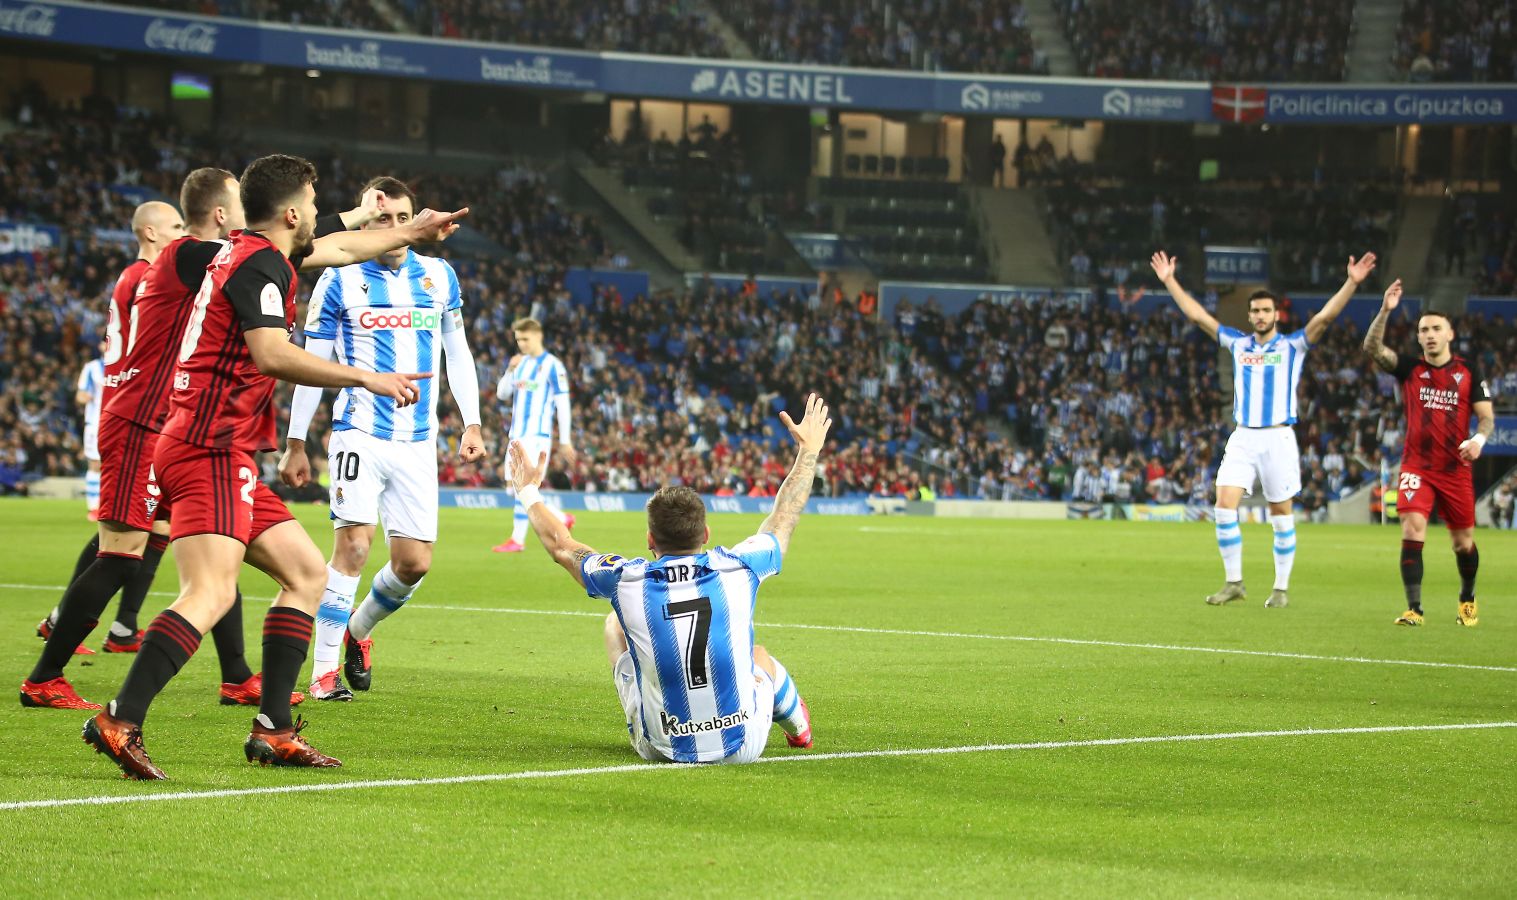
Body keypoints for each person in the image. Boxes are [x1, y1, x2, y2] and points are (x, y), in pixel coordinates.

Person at [81, 154, 466, 779]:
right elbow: (270, 353)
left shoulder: (253, 253)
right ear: (292, 213)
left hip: (220, 449)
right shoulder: (260, 262)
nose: (318, 212)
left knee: (308, 574)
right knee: (208, 592)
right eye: (312, 203)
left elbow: (341, 248)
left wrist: (409, 231)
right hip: (206, 446)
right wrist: (366, 375)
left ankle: (273, 730)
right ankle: (120, 718)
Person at [504, 393, 831, 764]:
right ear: (705, 534)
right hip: (743, 747)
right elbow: (783, 517)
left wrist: (527, 490)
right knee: (759, 658)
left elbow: (562, 546)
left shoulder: (626, 579)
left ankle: (655, 714)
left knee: (616, 623)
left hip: (661, 749)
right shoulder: (738, 568)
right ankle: (798, 728)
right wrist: (808, 453)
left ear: (649, 540)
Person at [280, 176, 486, 701]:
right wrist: (297, 439)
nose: (393, 229)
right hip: (357, 433)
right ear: (364, 225)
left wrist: (472, 421)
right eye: (380, 221)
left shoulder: (439, 277)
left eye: (401, 219)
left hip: (417, 441)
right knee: (352, 547)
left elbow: (456, 352)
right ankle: (323, 675)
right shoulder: (340, 279)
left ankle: (355, 632)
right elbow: (314, 360)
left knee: (413, 564)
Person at [1151, 249, 1378, 609]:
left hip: (1278, 437)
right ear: (1250, 315)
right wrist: (1169, 281)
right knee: (1223, 505)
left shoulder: (1292, 346)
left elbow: (1326, 317)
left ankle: (1281, 588)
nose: (1259, 316)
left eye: (1265, 311)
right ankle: (1234, 582)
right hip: (1243, 435)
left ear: (1276, 315)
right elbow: (1197, 316)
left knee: (1280, 512)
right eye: (1255, 311)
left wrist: (1351, 282)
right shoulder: (1238, 344)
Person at [1362, 279, 1494, 626]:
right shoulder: (1410, 369)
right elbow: (1373, 347)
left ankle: (1467, 598)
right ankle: (1414, 609)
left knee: (1462, 543)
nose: (1430, 334)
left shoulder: (1468, 373)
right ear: (1419, 337)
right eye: (1424, 330)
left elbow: (1486, 420)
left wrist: (1478, 441)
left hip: (1455, 468)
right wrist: (1385, 311)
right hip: (1417, 467)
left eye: (1437, 328)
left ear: (1450, 334)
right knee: (1412, 526)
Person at [492, 318, 575, 552]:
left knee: (524, 487)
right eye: (518, 339)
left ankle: (517, 540)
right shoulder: (520, 364)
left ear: (538, 336)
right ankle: (560, 517)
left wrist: (565, 440)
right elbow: (502, 394)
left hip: (536, 435)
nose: (521, 344)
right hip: (516, 433)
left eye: (525, 339)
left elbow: (563, 403)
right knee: (512, 488)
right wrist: (509, 369)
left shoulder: (552, 365)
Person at [76, 341, 106, 519]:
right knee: (95, 464)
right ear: (101, 346)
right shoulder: (92, 368)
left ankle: (110, 505)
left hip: (116, 421)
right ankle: (94, 507)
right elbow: (80, 394)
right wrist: (84, 397)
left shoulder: (124, 365)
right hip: (95, 422)